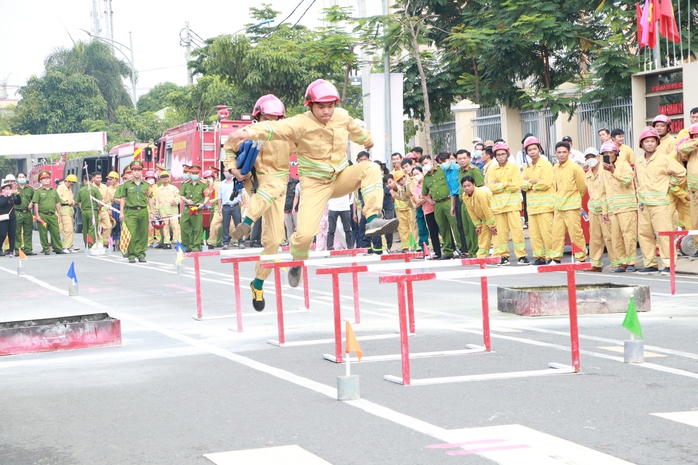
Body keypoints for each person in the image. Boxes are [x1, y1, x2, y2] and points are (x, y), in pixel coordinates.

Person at [228, 80, 397, 287]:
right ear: (310, 105)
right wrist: (247, 134)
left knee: (370, 168)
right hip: (313, 186)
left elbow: (357, 132)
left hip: (340, 177)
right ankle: (297, 261)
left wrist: (367, 140)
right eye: (321, 107)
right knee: (306, 235)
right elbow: (274, 128)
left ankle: (372, 220)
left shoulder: (342, 116)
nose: (327, 112)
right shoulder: (300, 123)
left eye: (330, 106)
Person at [634, 127, 686, 274]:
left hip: (660, 205)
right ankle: (650, 263)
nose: (650, 144)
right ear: (641, 144)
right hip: (644, 205)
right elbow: (637, 180)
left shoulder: (664, 159)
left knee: (663, 234)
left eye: (652, 141)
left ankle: (669, 264)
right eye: (647, 141)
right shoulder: (638, 162)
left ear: (657, 143)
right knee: (644, 235)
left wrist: (669, 184)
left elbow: (681, 173)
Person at [485, 142, 529, 265]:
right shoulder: (492, 169)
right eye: (498, 154)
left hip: (512, 206)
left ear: (507, 154)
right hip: (498, 207)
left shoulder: (514, 168)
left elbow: (516, 185)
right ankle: (504, 256)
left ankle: (521, 256)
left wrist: (500, 184)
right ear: (495, 156)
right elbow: (491, 187)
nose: (501, 156)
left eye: (503, 154)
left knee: (517, 232)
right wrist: (506, 183)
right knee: (501, 234)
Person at [601, 140, 638, 272]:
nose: (608, 155)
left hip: (626, 207)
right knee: (615, 237)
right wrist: (604, 210)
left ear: (616, 153)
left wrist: (613, 171)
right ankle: (622, 262)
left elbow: (628, 181)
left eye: (611, 152)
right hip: (612, 209)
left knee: (628, 235)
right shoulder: (603, 168)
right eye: (605, 153)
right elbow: (604, 191)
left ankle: (631, 262)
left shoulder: (624, 164)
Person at [550, 141, 587, 263]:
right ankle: (556, 258)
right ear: (555, 153)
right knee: (557, 234)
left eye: (564, 152)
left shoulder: (575, 168)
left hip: (572, 207)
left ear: (569, 153)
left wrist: (576, 198)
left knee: (575, 233)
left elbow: (582, 187)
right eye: (559, 152)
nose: (561, 155)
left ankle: (580, 258)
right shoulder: (555, 168)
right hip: (559, 207)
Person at [521, 136, 555, 265]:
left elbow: (546, 183)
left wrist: (529, 184)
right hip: (532, 207)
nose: (532, 152)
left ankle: (552, 257)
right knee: (534, 235)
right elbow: (521, 183)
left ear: (539, 149)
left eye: (534, 149)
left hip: (545, 206)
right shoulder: (527, 167)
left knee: (548, 233)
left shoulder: (546, 165)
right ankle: (539, 257)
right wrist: (533, 182)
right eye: (529, 150)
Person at [583, 148, 615, 272]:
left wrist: (605, 209)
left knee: (610, 237)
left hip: (605, 209)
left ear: (598, 156)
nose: (590, 159)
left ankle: (616, 263)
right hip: (593, 210)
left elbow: (608, 191)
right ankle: (595, 264)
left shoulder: (605, 170)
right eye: (588, 157)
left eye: (593, 156)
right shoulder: (588, 175)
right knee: (595, 238)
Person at [422, 154, 459, 259]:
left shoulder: (442, 170)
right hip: (437, 204)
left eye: (426, 163)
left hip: (448, 200)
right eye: (423, 164)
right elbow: (424, 193)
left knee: (455, 225)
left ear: (431, 161)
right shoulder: (426, 178)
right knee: (443, 228)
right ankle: (448, 251)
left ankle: (461, 249)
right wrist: (430, 201)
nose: (425, 165)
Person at [118, 161, 154, 263]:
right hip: (130, 211)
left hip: (143, 211)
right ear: (131, 171)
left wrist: (152, 212)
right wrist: (121, 212)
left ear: (141, 171)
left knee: (143, 233)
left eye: (139, 170)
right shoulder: (126, 185)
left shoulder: (146, 185)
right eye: (134, 170)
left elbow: (150, 198)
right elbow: (123, 199)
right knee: (132, 233)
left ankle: (141, 254)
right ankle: (131, 254)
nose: (137, 172)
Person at [456, 149, 484, 258]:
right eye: (459, 159)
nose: (462, 160)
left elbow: (481, 188)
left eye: (464, 158)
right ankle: (471, 251)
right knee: (466, 229)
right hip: (463, 203)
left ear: (469, 158)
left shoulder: (474, 170)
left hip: (473, 203)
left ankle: (477, 252)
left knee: (474, 229)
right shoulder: (460, 171)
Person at [461, 175, 497, 258]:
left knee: (496, 236)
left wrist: (492, 225)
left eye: (469, 185)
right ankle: (481, 256)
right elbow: (471, 211)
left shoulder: (480, 193)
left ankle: (498, 255)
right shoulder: (465, 196)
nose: (467, 188)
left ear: (474, 184)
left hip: (494, 216)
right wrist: (478, 226)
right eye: (464, 186)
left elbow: (486, 209)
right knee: (482, 237)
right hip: (485, 218)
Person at [677, 123, 698, 260]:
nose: (696, 138)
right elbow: (681, 148)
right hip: (694, 191)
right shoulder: (690, 149)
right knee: (696, 222)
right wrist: (696, 142)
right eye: (694, 136)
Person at [32, 170, 65, 255]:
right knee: (43, 233)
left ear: (50, 180)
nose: (46, 180)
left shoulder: (54, 191)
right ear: (40, 181)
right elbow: (36, 203)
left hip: (52, 215)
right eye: (44, 179)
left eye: (47, 178)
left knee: (56, 232)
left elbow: (57, 203)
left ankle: (58, 248)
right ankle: (46, 249)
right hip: (43, 215)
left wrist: (59, 214)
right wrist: (37, 215)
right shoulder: (38, 191)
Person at [178, 165, 208, 253]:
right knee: (184, 226)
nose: (195, 175)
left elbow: (207, 195)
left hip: (197, 209)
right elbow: (181, 195)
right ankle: (186, 245)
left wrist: (203, 203)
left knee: (197, 228)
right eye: (193, 173)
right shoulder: (185, 184)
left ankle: (195, 246)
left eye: (196, 173)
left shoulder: (203, 184)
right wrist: (187, 200)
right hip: (187, 208)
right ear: (190, 174)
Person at [154, 171, 181, 249]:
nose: (164, 179)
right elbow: (157, 201)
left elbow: (178, 197)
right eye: (163, 177)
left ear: (168, 178)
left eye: (166, 177)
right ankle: (167, 242)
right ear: (160, 179)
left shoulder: (173, 188)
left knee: (175, 227)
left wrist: (175, 201)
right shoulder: (158, 190)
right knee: (165, 228)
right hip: (163, 212)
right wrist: (157, 211)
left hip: (173, 212)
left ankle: (177, 242)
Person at [75, 172, 102, 249]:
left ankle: (86, 244)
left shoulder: (81, 190)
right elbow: (100, 202)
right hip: (93, 212)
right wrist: (99, 209)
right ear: (92, 180)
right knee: (92, 228)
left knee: (85, 228)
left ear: (84, 180)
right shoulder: (95, 189)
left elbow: (77, 202)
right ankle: (90, 245)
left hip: (84, 212)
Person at [410, 166, 431, 253]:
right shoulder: (416, 187)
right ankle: (424, 246)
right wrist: (426, 197)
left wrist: (422, 197)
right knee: (421, 228)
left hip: (431, 208)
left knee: (436, 227)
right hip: (420, 209)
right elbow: (417, 201)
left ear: (422, 173)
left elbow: (431, 194)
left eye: (417, 173)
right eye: (414, 175)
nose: (416, 176)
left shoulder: (428, 183)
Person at [14, 172, 36, 255]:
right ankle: (17, 250)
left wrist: (32, 203)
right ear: (17, 179)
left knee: (28, 231)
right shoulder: (15, 189)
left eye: (23, 177)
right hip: (17, 212)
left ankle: (28, 249)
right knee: (17, 232)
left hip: (27, 213)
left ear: (26, 178)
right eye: (20, 177)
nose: (21, 178)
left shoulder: (30, 189)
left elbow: (34, 198)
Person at [57, 174, 79, 252]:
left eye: (73, 183)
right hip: (64, 209)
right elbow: (59, 197)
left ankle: (69, 245)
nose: (72, 185)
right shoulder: (61, 187)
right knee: (67, 229)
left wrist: (73, 202)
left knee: (71, 229)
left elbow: (71, 198)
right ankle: (65, 246)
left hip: (69, 210)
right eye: (71, 183)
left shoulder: (69, 189)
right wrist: (68, 201)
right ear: (67, 181)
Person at [0, 179, 21, 257]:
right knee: (2, 235)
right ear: (2, 190)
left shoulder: (11, 198)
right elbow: (2, 204)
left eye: (9, 189)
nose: (8, 190)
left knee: (12, 235)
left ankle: (11, 251)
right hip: (3, 219)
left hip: (12, 218)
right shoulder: (1, 197)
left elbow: (18, 202)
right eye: (6, 189)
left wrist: (17, 194)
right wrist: (7, 196)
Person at [283, 177, 299, 244]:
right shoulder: (281, 184)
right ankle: (290, 242)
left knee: (298, 226)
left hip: (295, 209)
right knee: (288, 227)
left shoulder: (295, 182)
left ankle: (298, 241)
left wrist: (294, 207)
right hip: (285, 208)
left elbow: (297, 196)